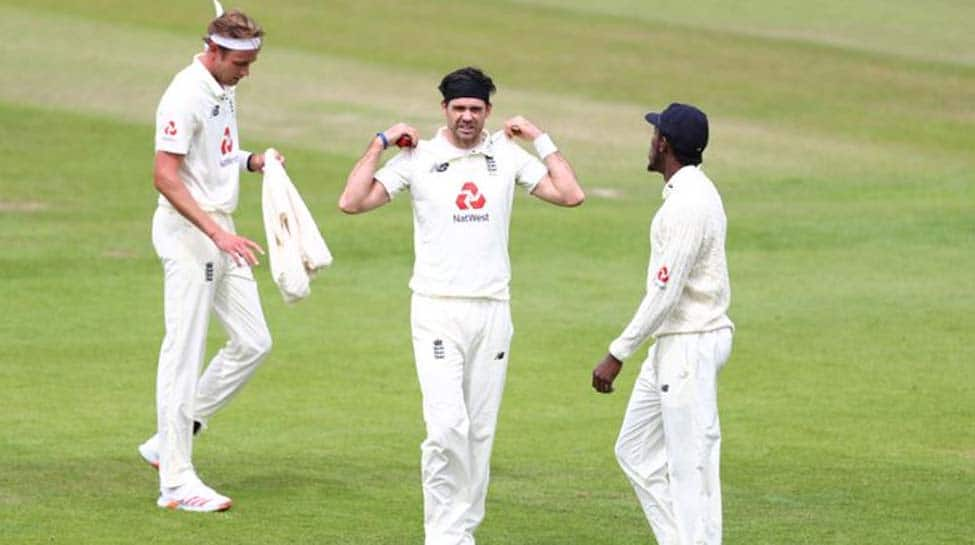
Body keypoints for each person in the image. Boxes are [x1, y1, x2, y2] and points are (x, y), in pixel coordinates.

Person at [339, 66, 584, 545]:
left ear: (488, 111)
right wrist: (380, 142)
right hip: (436, 310)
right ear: (444, 111)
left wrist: (541, 137)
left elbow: (570, 194)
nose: (467, 117)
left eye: (475, 109)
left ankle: (461, 534)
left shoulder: (506, 156)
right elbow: (351, 201)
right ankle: (442, 535)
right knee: (446, 426)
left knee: (478, 433)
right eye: (459, 109)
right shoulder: (419, 158)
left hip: (492, 309)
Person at [138, 8, 276, 512]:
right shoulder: (183, 94)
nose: (247, 72)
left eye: (252, 61)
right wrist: (216, 232)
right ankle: (175, 482)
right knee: (184, 350)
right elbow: (166, 176)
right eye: (241, 62)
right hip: (191, 233)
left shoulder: (224, 86)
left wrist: (251, 161)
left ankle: (169, 439)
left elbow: (217, 154)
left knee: (254, 341)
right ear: (214, 52)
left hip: (221, 229)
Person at [591, 103, 734, 545]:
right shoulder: (686, 192)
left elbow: (664, 293)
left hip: (690, 342)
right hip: (674, 342)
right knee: (633, 450)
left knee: (691, 466)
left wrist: (617, 353)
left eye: (654, 133)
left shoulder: (688, 204)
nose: (650, 140)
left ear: (664, 144)